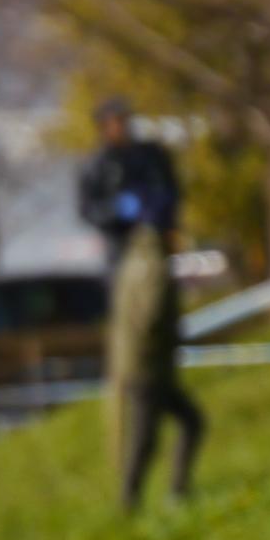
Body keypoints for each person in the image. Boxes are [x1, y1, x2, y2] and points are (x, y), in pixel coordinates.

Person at [77, 96, 202, 510]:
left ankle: (154, 496)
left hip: (149, 338)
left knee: (168, 426)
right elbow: (89, 210)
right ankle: (136, 500)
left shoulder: (150, 156)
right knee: (148, 430)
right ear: (103, 126)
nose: (122, 126)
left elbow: (172, 193)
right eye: (115, 121)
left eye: (125, 119)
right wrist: (118, 212)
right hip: (128, 268)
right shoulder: (97, 166)